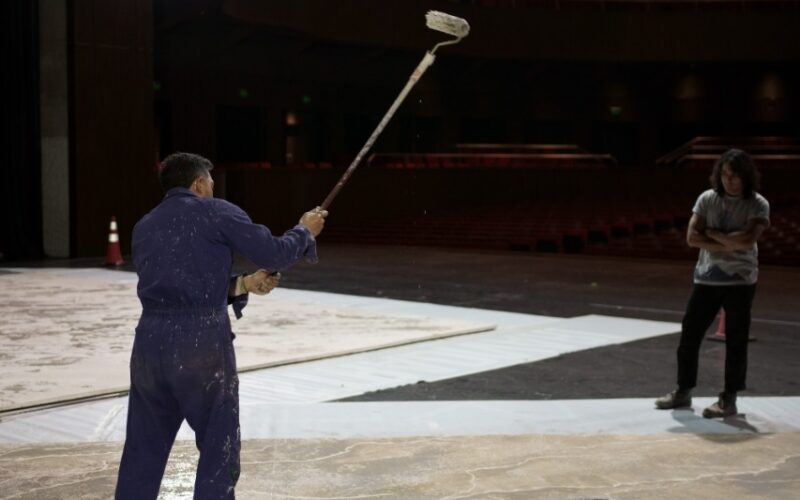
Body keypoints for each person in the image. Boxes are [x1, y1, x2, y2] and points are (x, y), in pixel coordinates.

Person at [115, 152, 328, 499]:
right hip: (200, 345)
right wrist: (304, 231)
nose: (213, 190)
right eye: (211, 184)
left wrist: (243, 284)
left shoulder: (145, 225)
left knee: (142, 450)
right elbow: (275, 253)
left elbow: (181, 285)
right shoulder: (215, 211)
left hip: (149, 346)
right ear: (199, 183)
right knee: (219, 445)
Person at [655, 148, 769, 418]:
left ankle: (729, 399)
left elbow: (746, 241)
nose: (729, 180)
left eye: (735, 176)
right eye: (725, 175)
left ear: (746, 177)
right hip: (706, 278)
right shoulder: (707, 198)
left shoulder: (758, 204)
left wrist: (713, 233)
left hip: (741, 281)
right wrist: (730, 240)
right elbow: (692, 238)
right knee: (689, 336)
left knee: (736, 341)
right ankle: (683, 391)